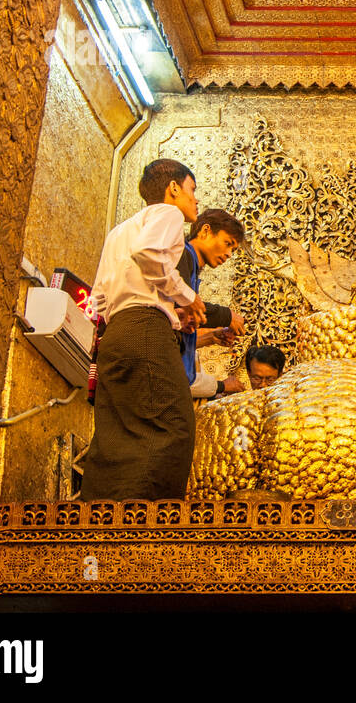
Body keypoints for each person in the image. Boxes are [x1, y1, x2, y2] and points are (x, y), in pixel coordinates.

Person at [81, 159, 204, 500]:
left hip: (116, 334)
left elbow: (100, 299)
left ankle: (100, 520)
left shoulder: (118, 231)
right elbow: (149, 253)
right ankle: (148, 528)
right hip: (147, 331)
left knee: (115, 434)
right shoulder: (167, 213)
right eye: (193, 191)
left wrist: (174, 315)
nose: (196, 201)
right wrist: (187, 297)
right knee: (174, 425)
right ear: (174, 188)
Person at [176, 208, 247, 399]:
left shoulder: (191, 266)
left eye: (233, 249)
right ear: (205, 231)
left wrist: (210, 338)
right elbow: (181, 307)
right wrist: (227, 316)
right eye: (227, 243)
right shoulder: (182, 255)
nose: (229, 254)